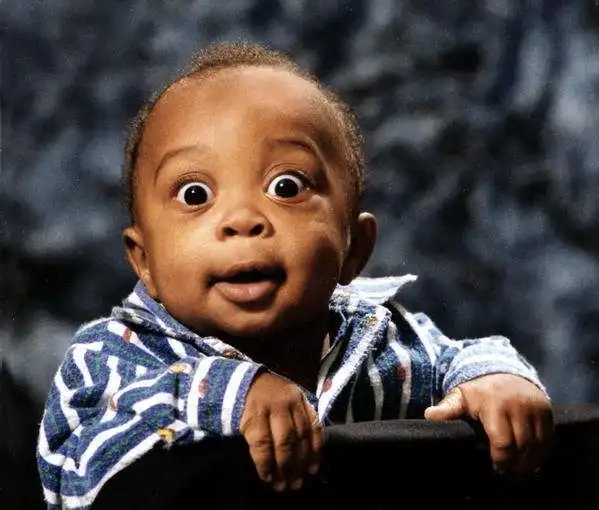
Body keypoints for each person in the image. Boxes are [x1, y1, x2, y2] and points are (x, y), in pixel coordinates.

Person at [37, 42, 553, 509]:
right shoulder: (111, 356)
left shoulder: (380, 339)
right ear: (144, 260)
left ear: (354, 249)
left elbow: (456, 357)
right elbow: (76, 472)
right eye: (195, 195)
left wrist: (494, 381)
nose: (242, 220)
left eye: (286, 187)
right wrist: (233, 393)